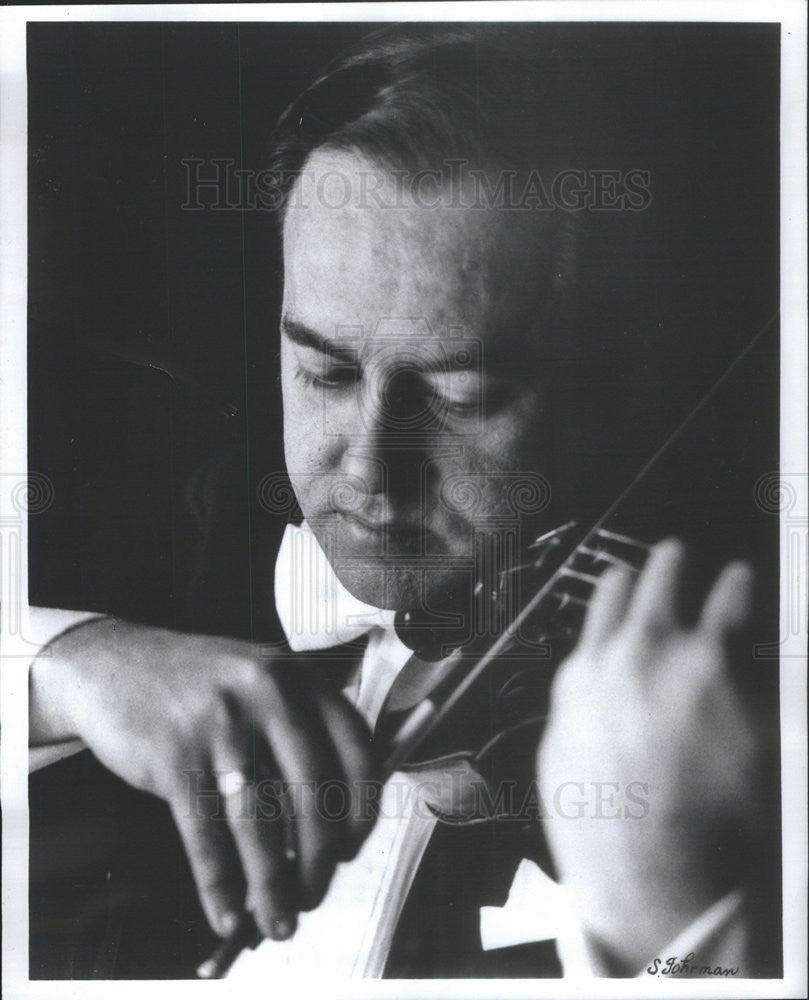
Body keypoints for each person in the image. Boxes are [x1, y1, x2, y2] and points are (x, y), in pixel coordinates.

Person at [28, 23, 780, 979]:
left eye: (462, 398)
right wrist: (66, 668)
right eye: (325, 371)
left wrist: (671, 916)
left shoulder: (715, 715)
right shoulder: (177, 518)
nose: (372, 471)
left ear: (610, 384)